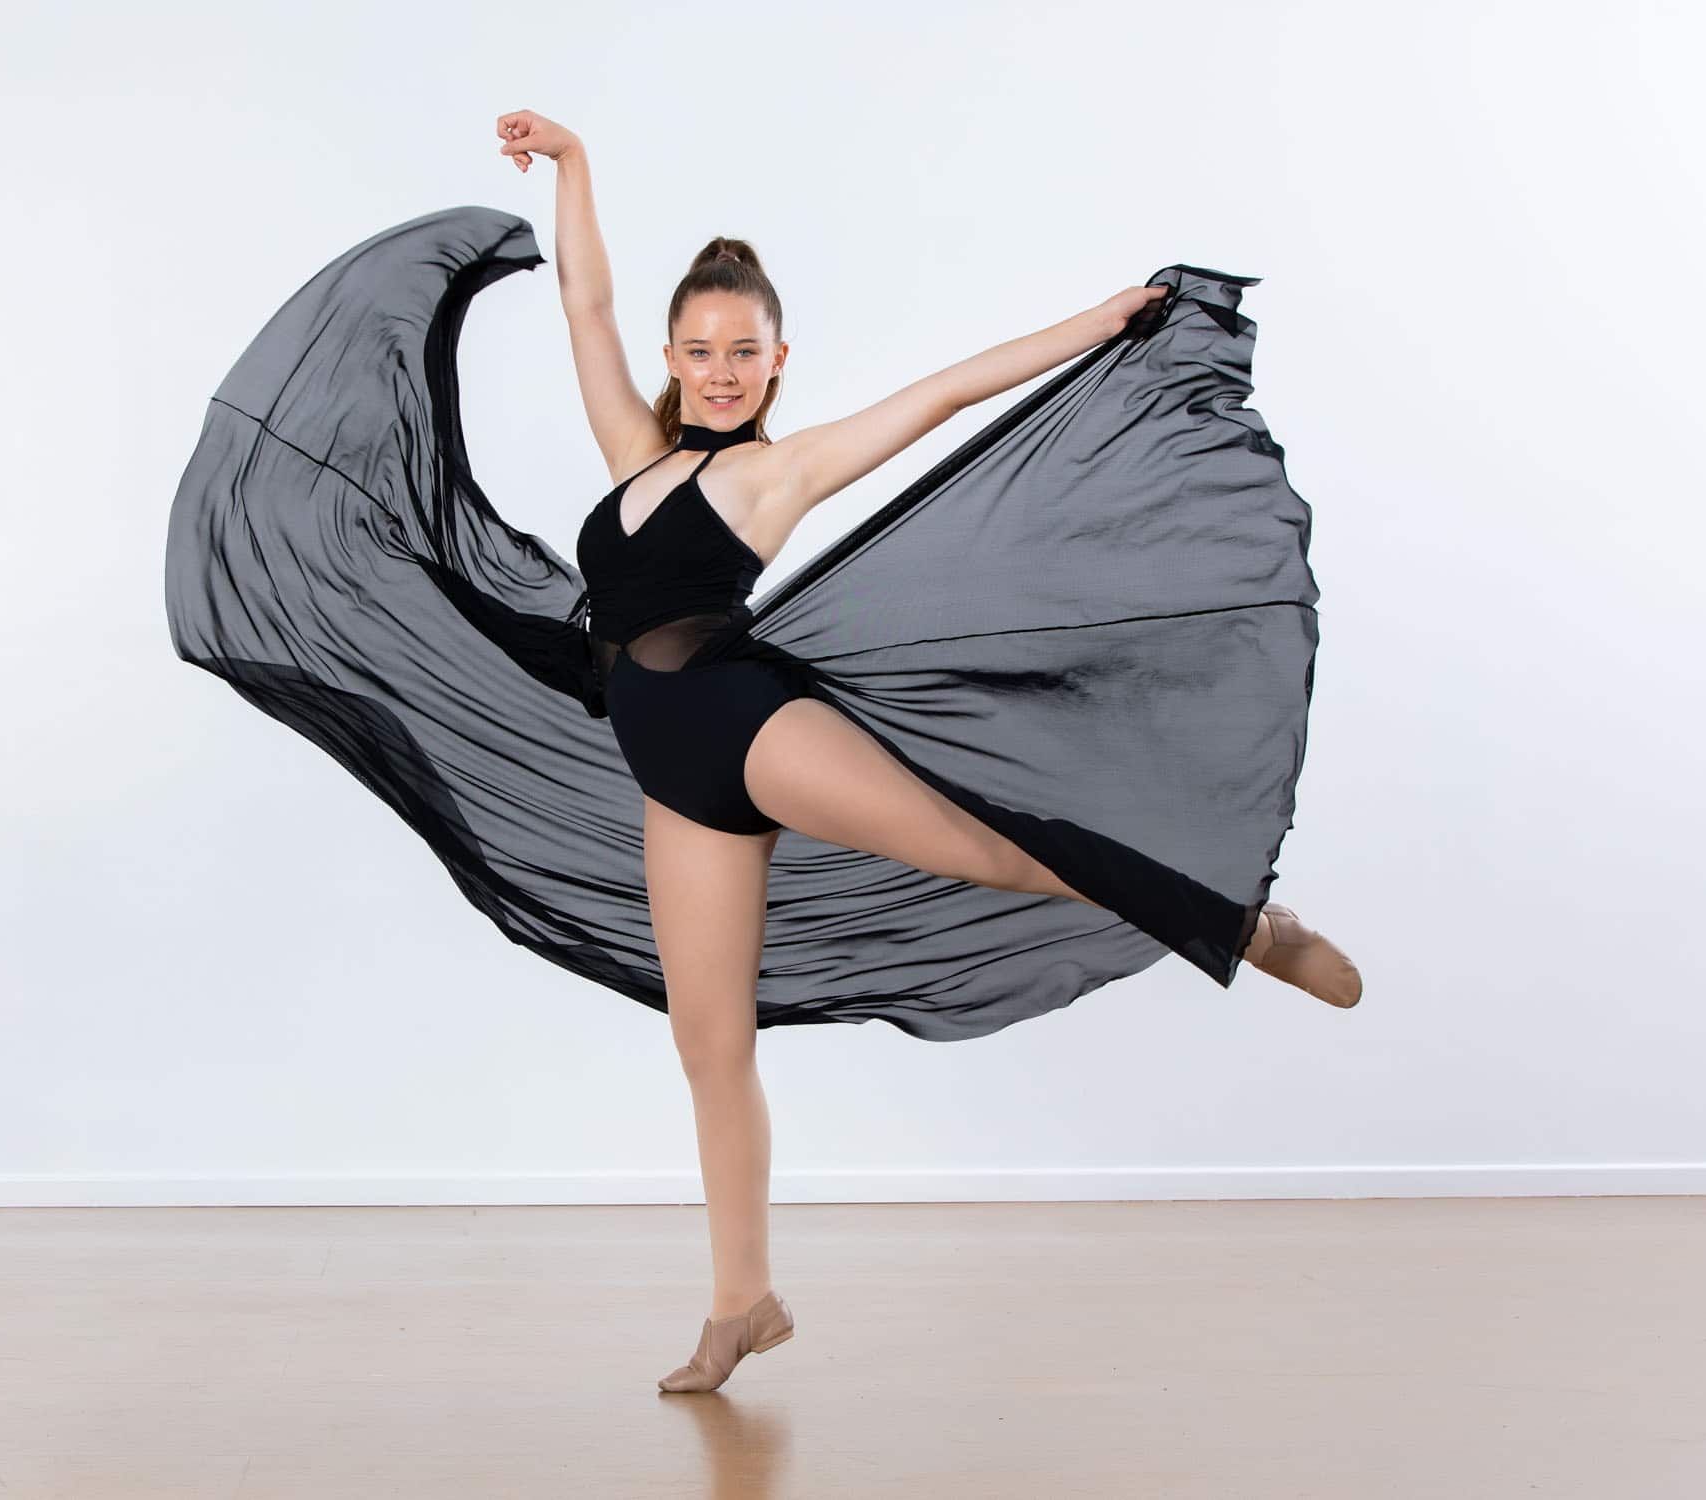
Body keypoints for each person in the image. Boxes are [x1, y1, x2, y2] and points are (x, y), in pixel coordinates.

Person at [493, 110, 1362, 1393]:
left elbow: (946, 392)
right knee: (709, 1043)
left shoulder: (779, 473)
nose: (721, 371)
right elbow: (585, 305)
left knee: (981, 848)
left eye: (744, 352)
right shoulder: (631, 455)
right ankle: (742, 1302)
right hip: (673, 784)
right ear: (673, 357)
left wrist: (1099, 320)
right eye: (702, 350)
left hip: (749, 726)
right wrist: (573, 163)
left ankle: (1242, 924)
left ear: (777, 362)